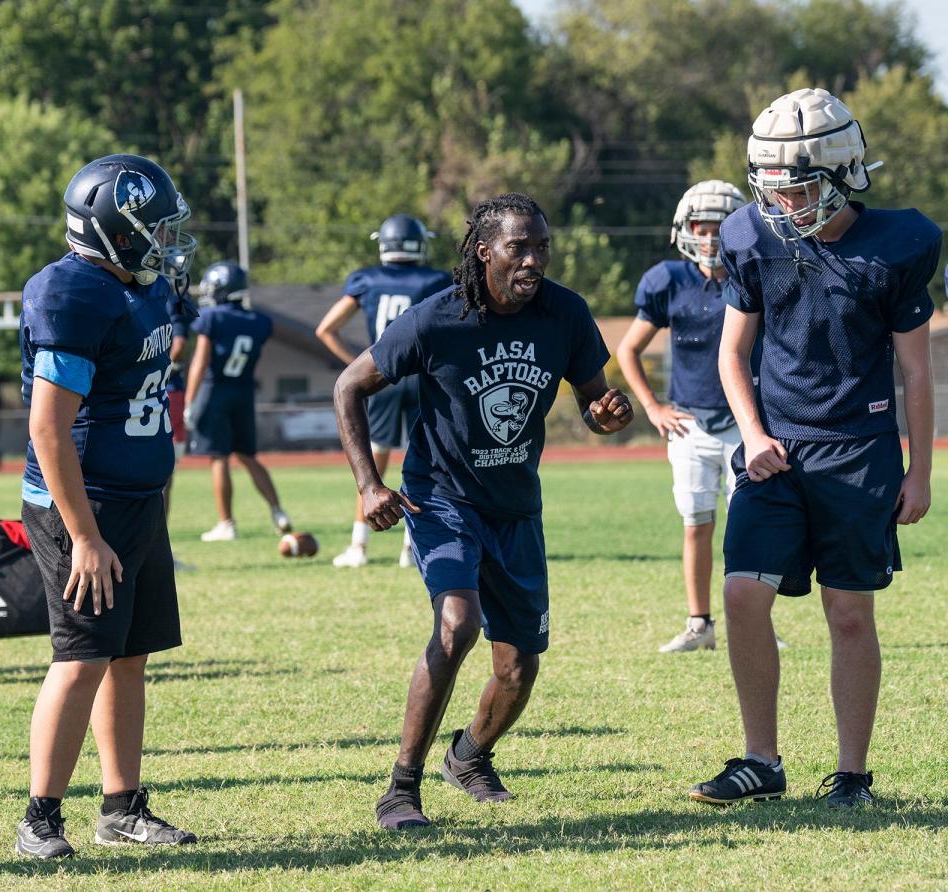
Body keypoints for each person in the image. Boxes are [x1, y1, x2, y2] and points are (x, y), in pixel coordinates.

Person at [333, 192, 633, 830]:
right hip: (441, 497)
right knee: (457, 624)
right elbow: (349, 385)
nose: (533, 260)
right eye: (519, 247)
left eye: (541, 247)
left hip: (516, 508)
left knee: (519, 667)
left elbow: (595, 403)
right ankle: (400, 791)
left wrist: (607, 416)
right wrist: (369, 484)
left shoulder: (566, 313)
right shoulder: (437, 319)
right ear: (483, 250)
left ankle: (469, 756)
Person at [689, 88, 937, 808]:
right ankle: (760, 759)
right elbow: (733, 358)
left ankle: (853, 775)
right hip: (777, 449)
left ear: (840, 177)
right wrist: (756, 434)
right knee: (740, 593)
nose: (782, 204)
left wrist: (921, 471)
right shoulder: (751, 237)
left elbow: (916, 370)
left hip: (859, 450)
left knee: (849, 612)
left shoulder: (898, 243)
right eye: (772, 189)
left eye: (796, 189)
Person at [17, 153, 199, 858]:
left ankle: (122, 807)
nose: (167, 239)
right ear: (115, 231)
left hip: (135, 499)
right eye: (155, 227)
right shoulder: (72, 295)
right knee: (83, 656)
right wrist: (84, 537)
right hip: (82, 506)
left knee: (129, 655)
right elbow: (46, 429)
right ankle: (40, 819)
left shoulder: (140, 287)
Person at [617, 180, 747, 652]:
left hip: (745, 423)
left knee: (750, 529)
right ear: (685, 229)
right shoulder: (668, 280)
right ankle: (700, 624)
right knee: (696, 524)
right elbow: (628, 348)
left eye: (720, 228)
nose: (711, 237)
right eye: (702, 227)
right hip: (690, 423)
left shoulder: (750, 274)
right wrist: (651, 407)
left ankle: (753, 625)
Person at [316, 215, 451, 568]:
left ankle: (359, 546)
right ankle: (412, 548)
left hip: (381, 379)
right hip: (423, 378)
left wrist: (360, 366)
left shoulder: (366, 280)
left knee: (371, 463)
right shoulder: (436, 279)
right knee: (423, 462)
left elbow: (326, 329)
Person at [183, 261, 293, 541]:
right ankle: (278, 511)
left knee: (219, 458)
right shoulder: (259, 321)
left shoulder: (212, 317)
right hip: (243, 392)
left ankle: (226, 523)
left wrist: (189, 400)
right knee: (248, 457)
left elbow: (200, 361)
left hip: (215, 390)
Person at [162, 288, 194, 570]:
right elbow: (180, 343)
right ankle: (156, 551)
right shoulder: (169, 296)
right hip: (165, 393)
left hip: (156, 391)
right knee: (162, 476)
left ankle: (156, 549)